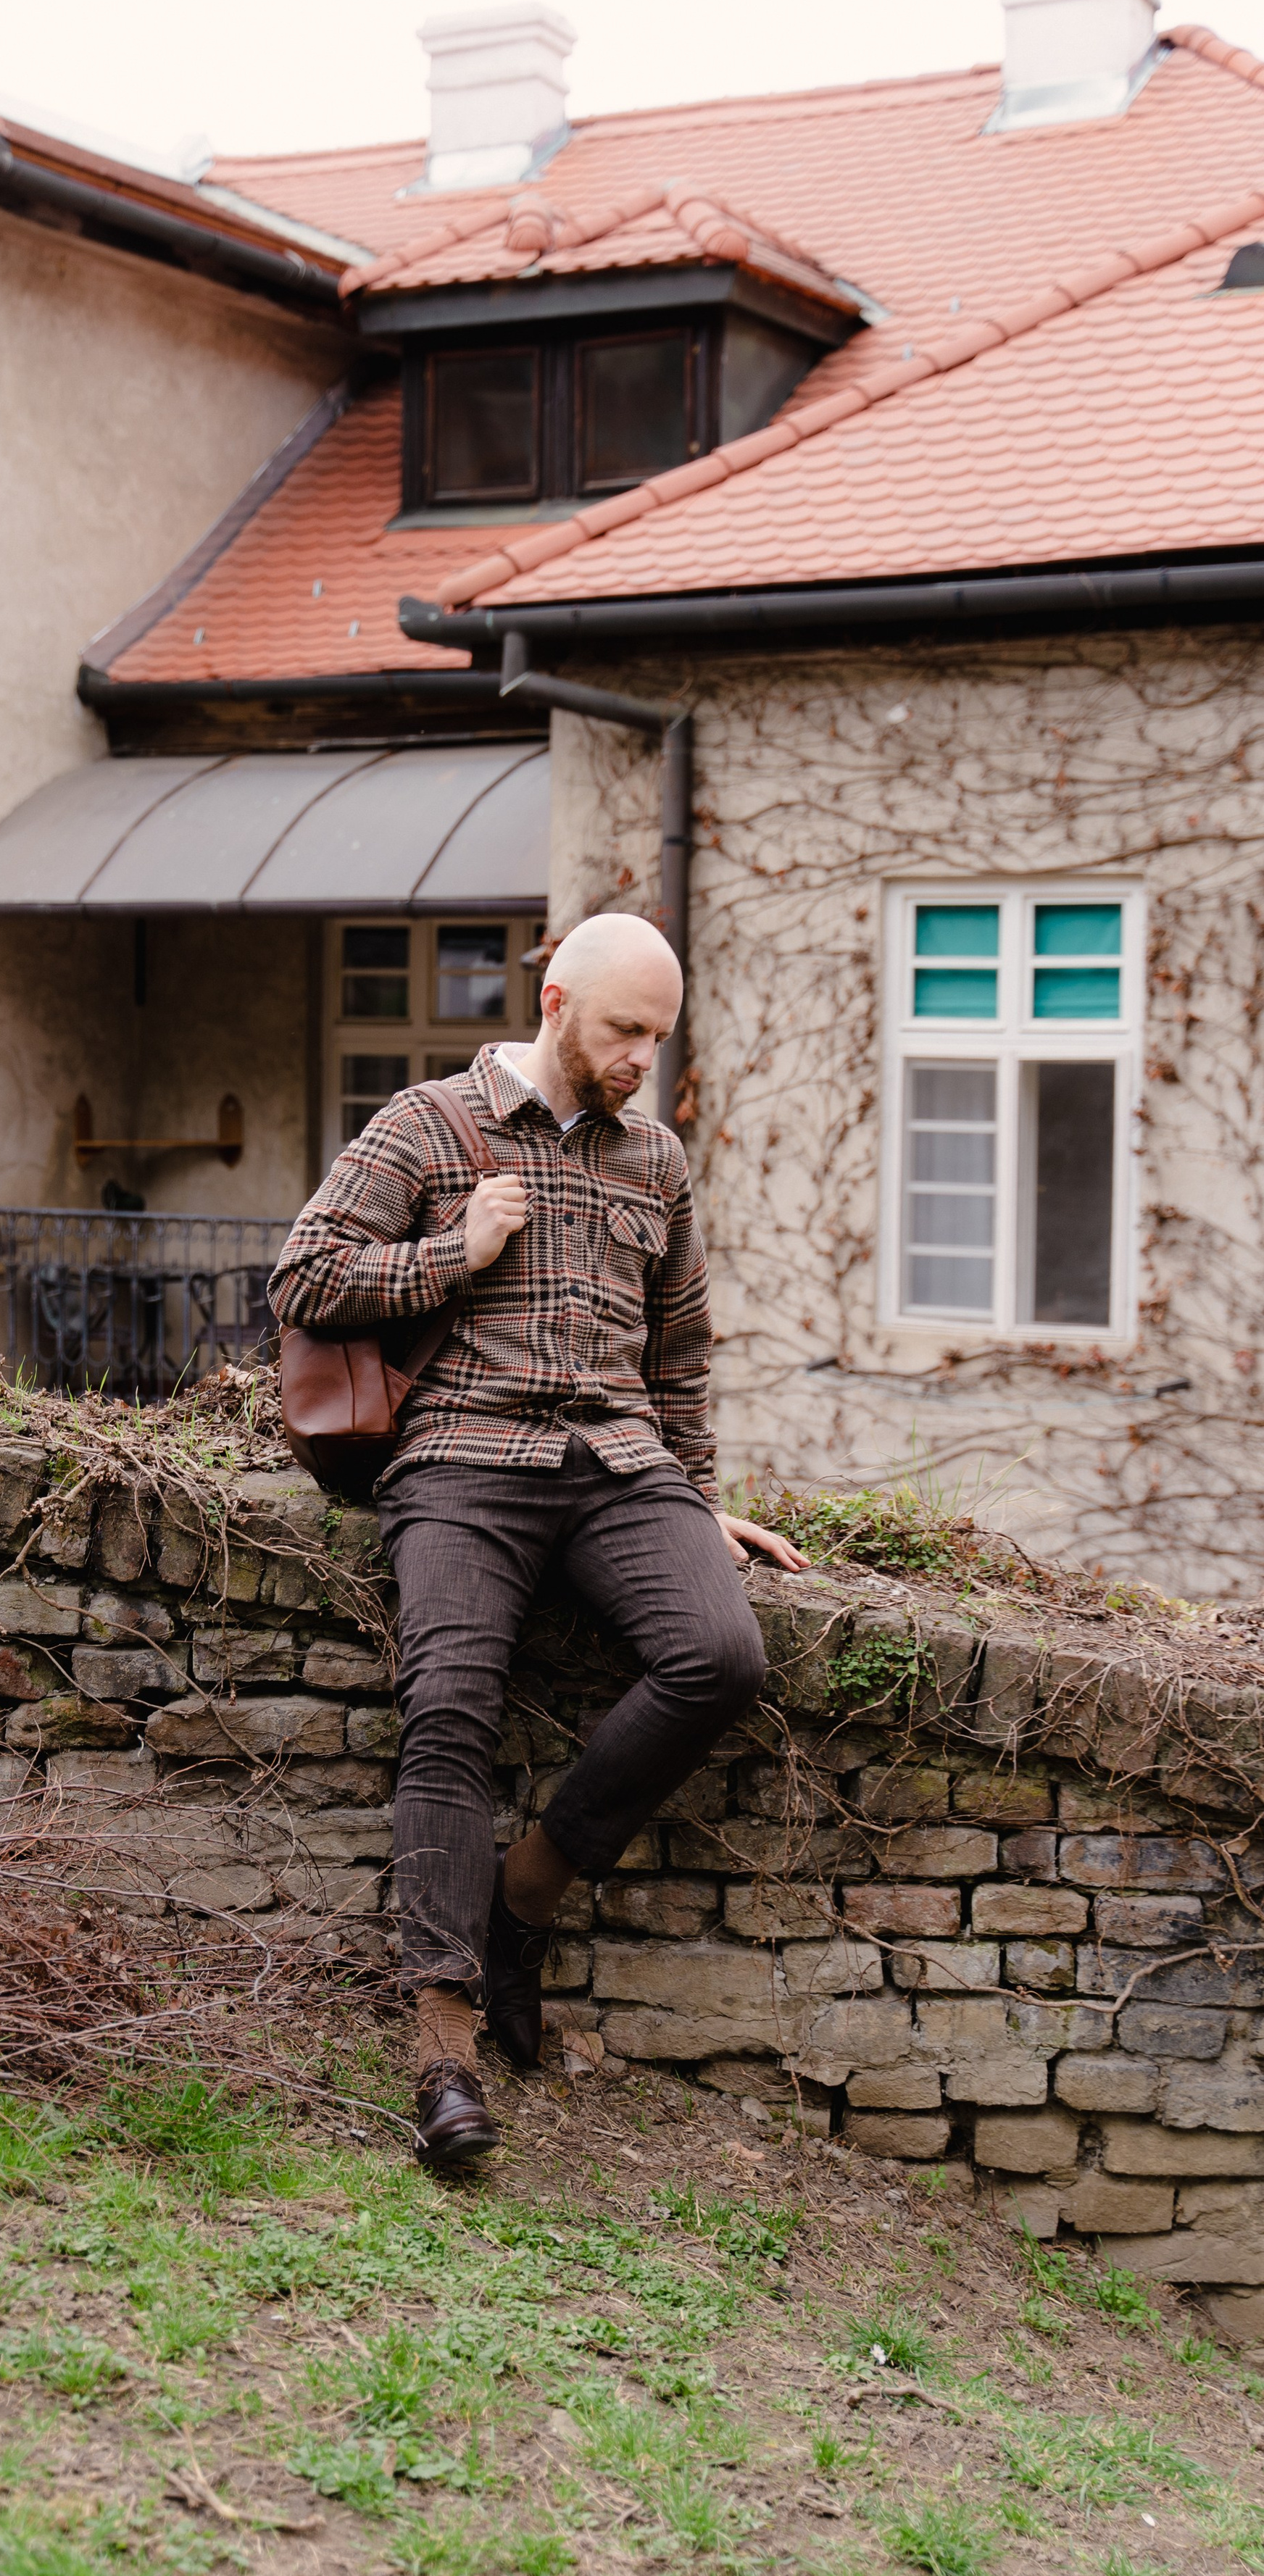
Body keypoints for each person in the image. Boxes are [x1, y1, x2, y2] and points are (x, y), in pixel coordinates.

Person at [268, 912, 807, 2163]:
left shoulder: (655, 1162)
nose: (642, 1061)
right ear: (557, 1003)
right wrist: (455, 1254)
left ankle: (528, 1892)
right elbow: (303, 1279)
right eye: (626, 1031)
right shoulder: (426, 1126)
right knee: (451, 1705)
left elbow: (678, 1360)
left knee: (720, 1655)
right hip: (461, 1458)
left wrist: (696, 1495)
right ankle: (444, 2051)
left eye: (659, 1039)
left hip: (619, 1467)